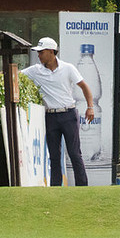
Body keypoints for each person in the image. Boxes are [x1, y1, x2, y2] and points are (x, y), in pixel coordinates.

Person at [20, 36, 95, 187]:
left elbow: (84, 86)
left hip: (69, 115)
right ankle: (55, 188)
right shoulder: (35, 70)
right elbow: (16, 74)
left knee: (74, 153)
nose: (39, 55)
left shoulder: (68, 68)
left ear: (51, 52)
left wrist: (90, 107)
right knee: (54, 155)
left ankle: (83, 187)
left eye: (41, 52)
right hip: (50, 117)